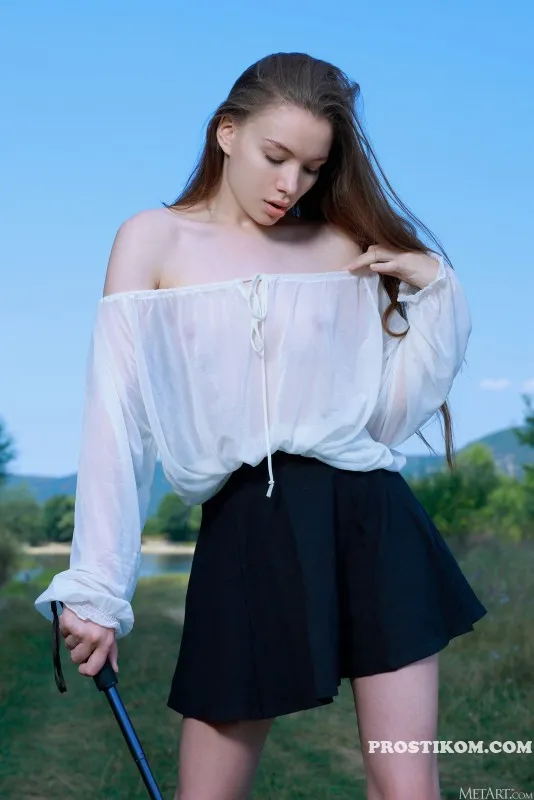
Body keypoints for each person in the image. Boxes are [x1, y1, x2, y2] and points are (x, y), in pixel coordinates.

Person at [35, 52, 487, 800]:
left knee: (407, 787)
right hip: (247, 528)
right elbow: (117, 419)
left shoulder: (341, 246)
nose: (291, 185)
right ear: (227, 132)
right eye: (276, 157)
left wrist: (435, 287)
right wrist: (97, 586)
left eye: (312, 168)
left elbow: (383, 419)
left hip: (373, 522)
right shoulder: (152, 240)